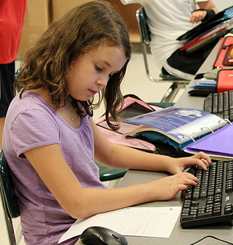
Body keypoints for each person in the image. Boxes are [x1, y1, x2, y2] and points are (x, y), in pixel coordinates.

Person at [2, 1, 212, 244]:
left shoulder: (70, 97)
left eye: (110, 74)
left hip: (95, 221)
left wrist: (169, 162)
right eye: (99, 68)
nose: (103, 82)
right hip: (65, 236)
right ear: (68, 51)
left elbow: (109, 152)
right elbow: (77, 204)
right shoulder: (31, 116)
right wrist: (157, 189)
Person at [121, 0, 218, 80]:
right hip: (172, 55)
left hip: (196, 43)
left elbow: (213, 10)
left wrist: (206, 13)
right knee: (219, 72)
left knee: (226, 51)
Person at [0, 0, 27, 149]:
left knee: (3, 106)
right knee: (5, 102)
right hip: (9, 36)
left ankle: (3, 158)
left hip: (4, 38)